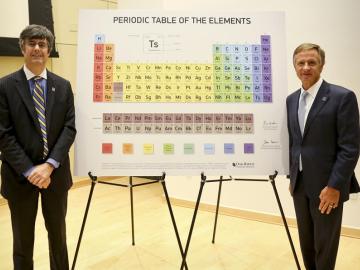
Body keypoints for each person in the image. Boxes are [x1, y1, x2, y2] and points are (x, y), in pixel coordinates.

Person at [0, 25, 76, 269]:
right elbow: (3, 134)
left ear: (48, 50)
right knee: (22, 243)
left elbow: (69, 128)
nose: (37, 49)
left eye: (42, 44)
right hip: (20, 177)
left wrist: (49, 166)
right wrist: (31, 170)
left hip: (55, 176)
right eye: (31, 43)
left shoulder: (63, 86)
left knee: (58, 238)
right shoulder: (5, 86)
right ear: (22, 47)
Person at [286, 43, 360, 270]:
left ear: (322, 65)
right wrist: (292, 178)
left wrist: (335, 186)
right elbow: (295, 142)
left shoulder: (342, 97)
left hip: (328, 188)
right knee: (306, 243)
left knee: (325, 246)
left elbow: (350, 148)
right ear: (295, 66)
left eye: (312, 62)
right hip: (300, 186)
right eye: (301, 62)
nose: (306, 67)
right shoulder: (290, 100)